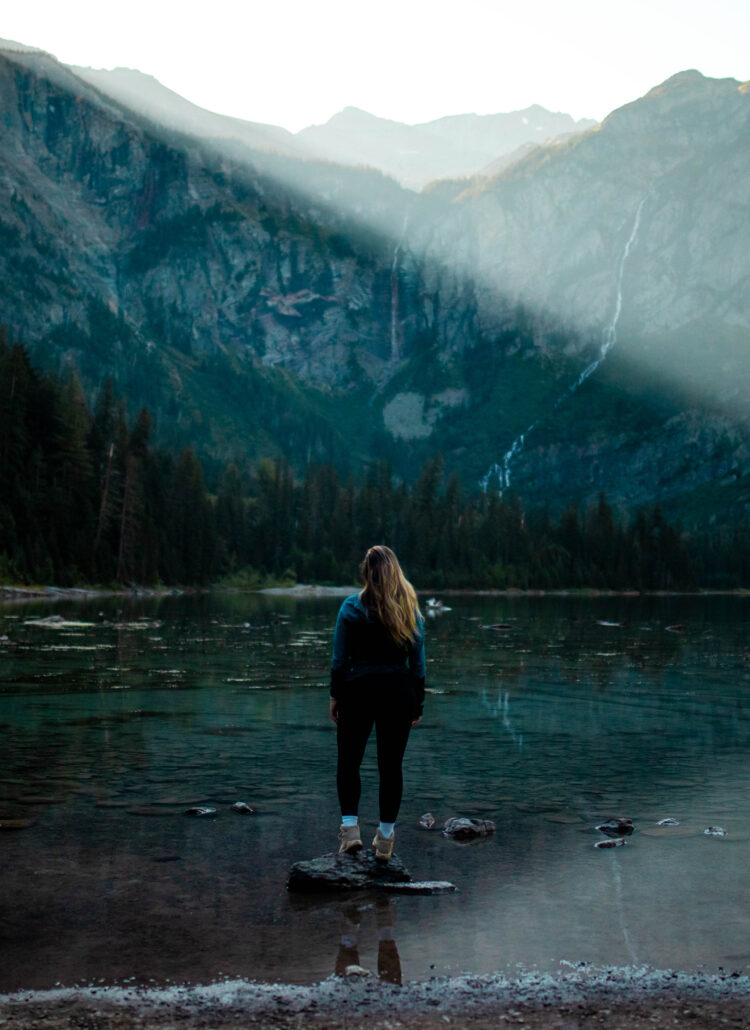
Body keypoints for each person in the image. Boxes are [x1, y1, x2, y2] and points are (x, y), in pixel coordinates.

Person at [329, 545, 425, 862]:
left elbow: (339, 661)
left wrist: (336, 696)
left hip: (357, 692)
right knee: (390, 768)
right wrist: (418, 702)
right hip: (398, 693)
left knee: (349, 762)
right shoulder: (409, 609)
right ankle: (384, 842)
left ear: (366, 573)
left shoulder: (350, 607)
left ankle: (350, 832)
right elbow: (418, 663)